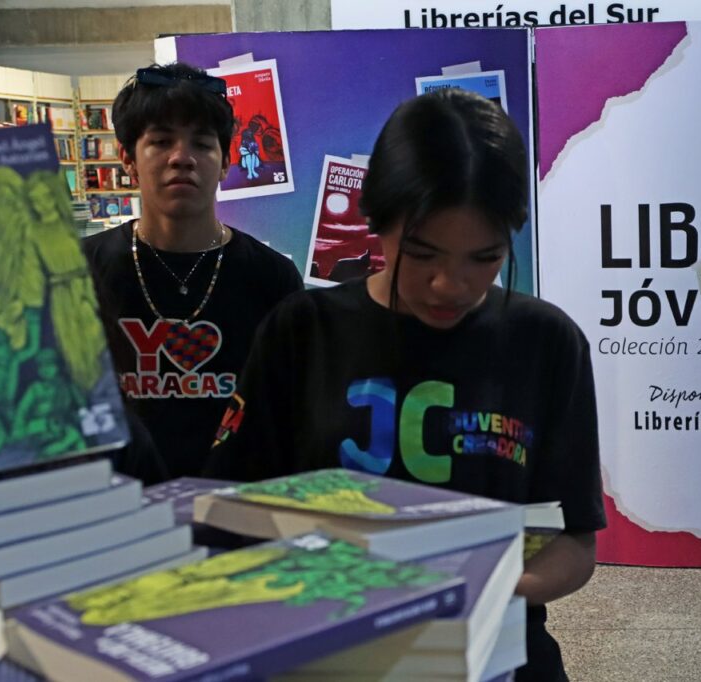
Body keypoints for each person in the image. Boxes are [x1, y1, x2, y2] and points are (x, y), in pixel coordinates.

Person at [208, 88, 606, 680]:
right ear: (377, 220)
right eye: (422, 254)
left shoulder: (547, 342)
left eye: (484, 257)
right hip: (333, 655)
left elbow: (574, 543)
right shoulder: (302, 331)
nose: (450, 284)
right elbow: (230, 513)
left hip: (497, 655)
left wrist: (482, 589)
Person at [83, 62, 303, 484]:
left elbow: (291, 415)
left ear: (225, 163)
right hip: (117, 505)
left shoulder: (272, 278)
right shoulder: (82, 271)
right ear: (128, 158)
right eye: (161, 141)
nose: (182, 158)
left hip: (241, 505)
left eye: (202, 144)